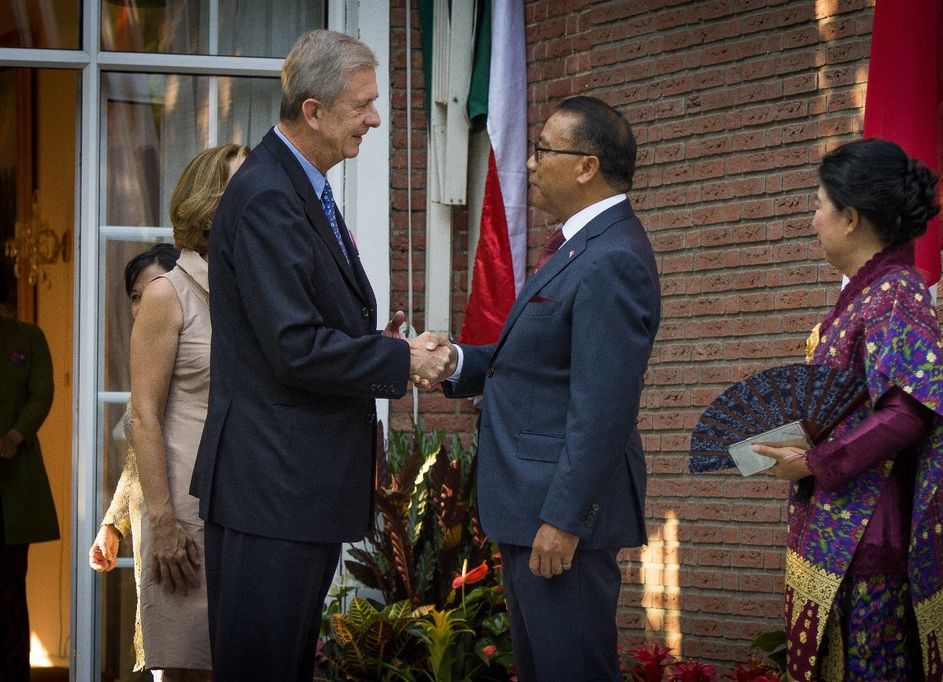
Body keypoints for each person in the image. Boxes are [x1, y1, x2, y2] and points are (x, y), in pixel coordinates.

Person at [189, 30, 452, 681]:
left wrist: (380, 343)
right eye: (362, 103)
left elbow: (299, 326)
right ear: (312, 110)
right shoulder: (269, 196)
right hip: (271, 487)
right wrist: (400, 363)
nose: (375, 117)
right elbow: (295, 349)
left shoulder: (297, 185)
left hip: (288, 487)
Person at [440, 96, 661, 680]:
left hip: (559, 520)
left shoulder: (613, 257)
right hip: (529, 506)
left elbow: (603, 407)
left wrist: (564, 519)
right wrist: (451, 362)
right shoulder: (577, 247)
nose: (530, 164)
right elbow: (531, 363)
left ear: (586, 166)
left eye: (541, 150)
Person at [751, 138, 943, 682]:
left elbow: (910, 411)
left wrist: (818, 464)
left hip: (869, 536)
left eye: (818, 205)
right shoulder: (866, 296)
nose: (812, 219)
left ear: (851, 217)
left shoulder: (894, 294)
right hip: (835, 525)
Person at [128, 144, 248, 681]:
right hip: (184, 511)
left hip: (249, 507)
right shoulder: (165, 293)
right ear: (210, 201)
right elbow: (143, 416)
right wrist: (163, 521)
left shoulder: (255, 288)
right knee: (188, 669)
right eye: (244, 184)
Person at [87, 242, 180, 675]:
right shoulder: (149, 360)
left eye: (157, 291)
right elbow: (135, 457)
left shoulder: (194, 359)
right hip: (150, 528)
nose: (145, 306)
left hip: (187, 525)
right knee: (163, 658)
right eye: (137, 297)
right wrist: (113, 524)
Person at [0, 278, 60, 682]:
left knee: (9, 588)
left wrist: (15, 435)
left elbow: (42, 393)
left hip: (13, 478)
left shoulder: (29, 338)